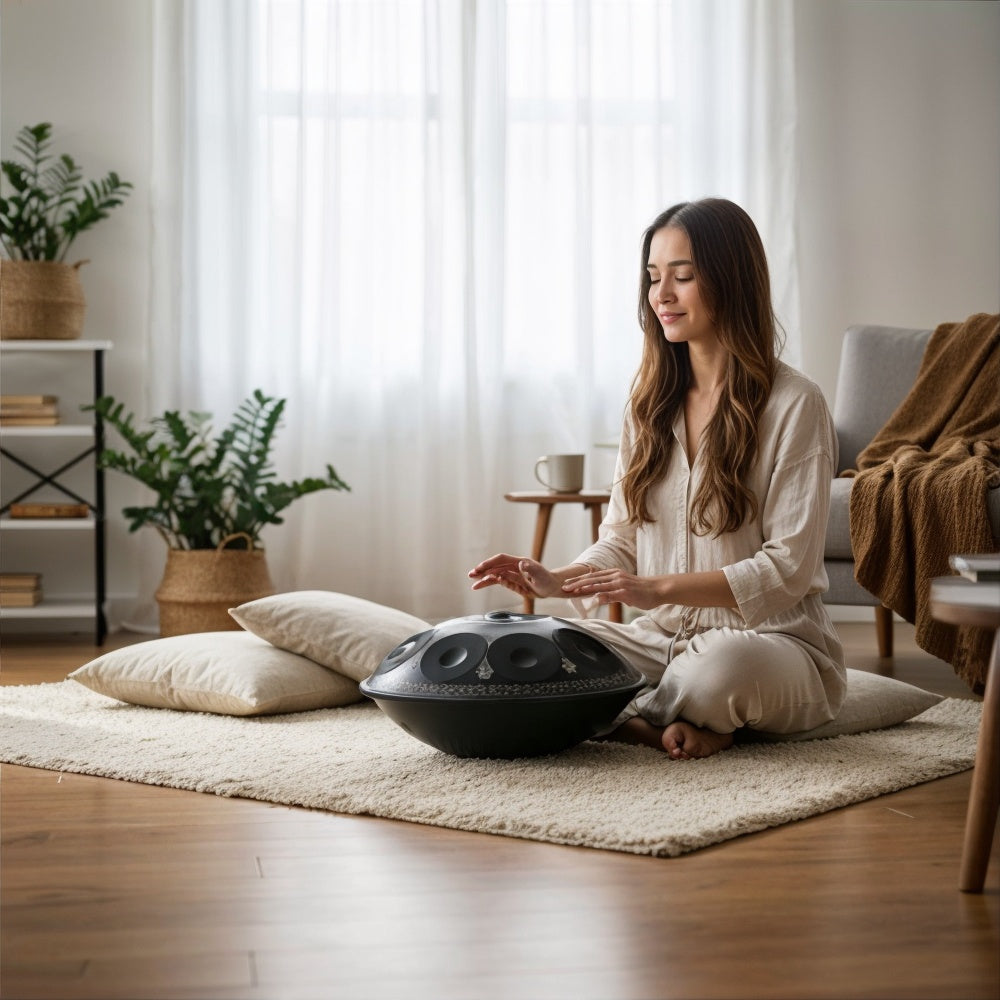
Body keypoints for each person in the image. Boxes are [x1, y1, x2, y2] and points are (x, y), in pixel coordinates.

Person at [468, 198, 846, 760]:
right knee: (526, 649)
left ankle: (619, 715)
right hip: (659, 642)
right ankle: (664, 725)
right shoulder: (647, 404)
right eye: (652, 278)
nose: (661, 295)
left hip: (771, 645)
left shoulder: (796, 404)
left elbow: (786, 569)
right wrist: (558, 581)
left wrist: (655, 589)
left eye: (683, 277)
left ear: (733, 282)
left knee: (718, 672)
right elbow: (622, 537)